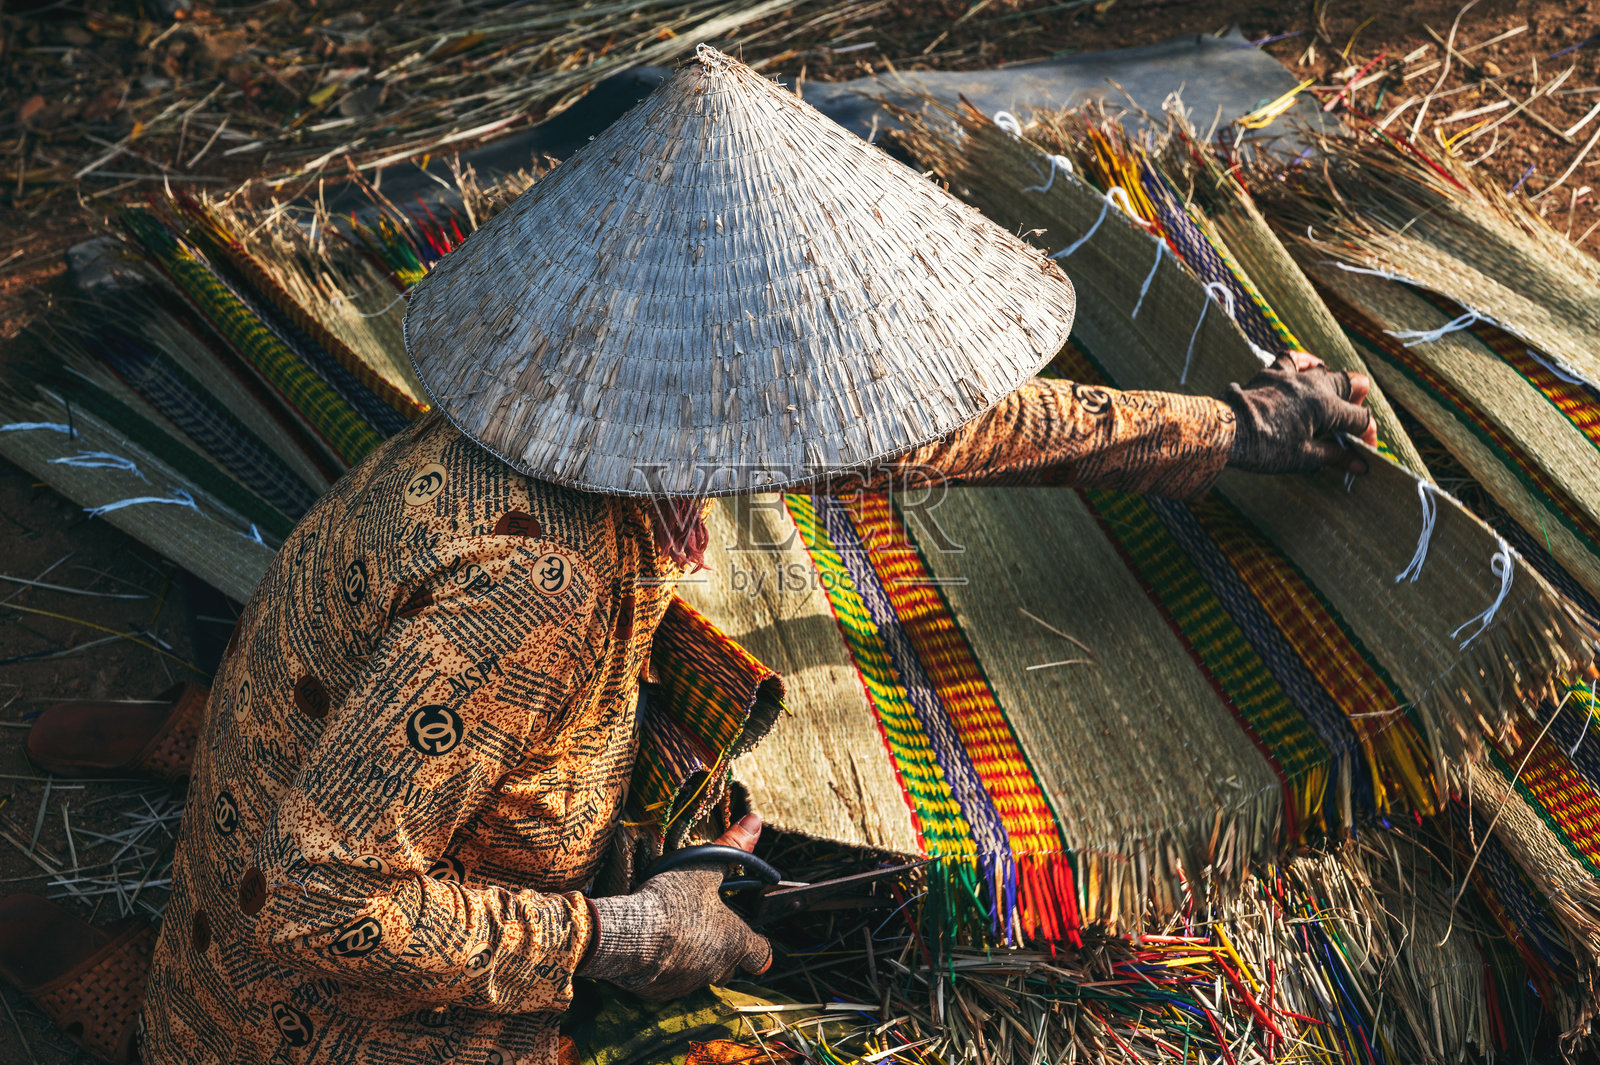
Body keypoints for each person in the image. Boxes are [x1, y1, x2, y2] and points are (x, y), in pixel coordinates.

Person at [0, 47, 1373, 1065]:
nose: (841, 427)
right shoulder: (539, 592)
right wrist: (630, 933)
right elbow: (318, 903)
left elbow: (939, 431)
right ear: (713, 399)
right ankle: (113, 975)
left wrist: (1236, 425)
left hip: (283, 830)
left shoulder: (526, 413)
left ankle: (158, 808)